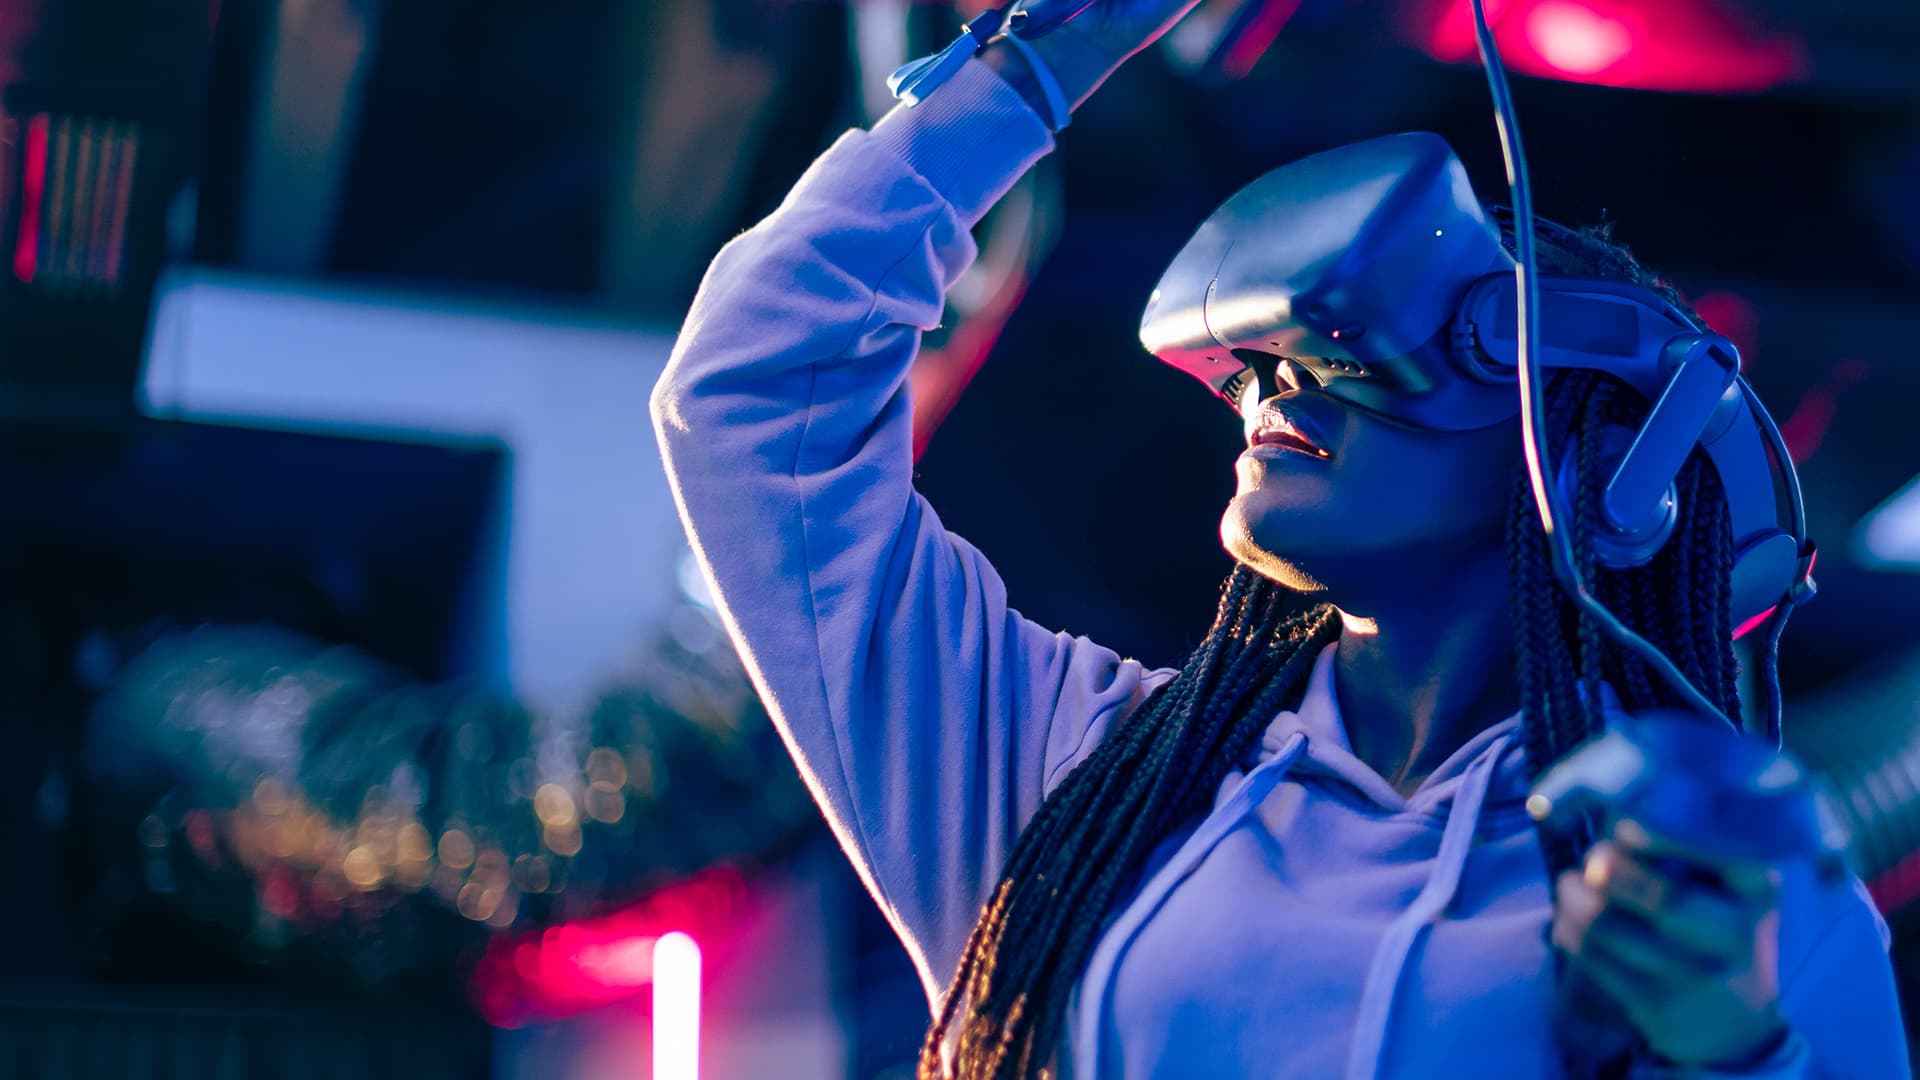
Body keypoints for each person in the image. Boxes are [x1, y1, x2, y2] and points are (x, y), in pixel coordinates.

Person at [649, 1, 1907, 1076]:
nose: (1272, 391)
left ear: (1606, 473)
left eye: (1365, 353)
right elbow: (756, 394)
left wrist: (1739, 1052)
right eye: (1261, 364)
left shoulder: (1734, 906)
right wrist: (1031, 71)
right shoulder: (1076, 769)